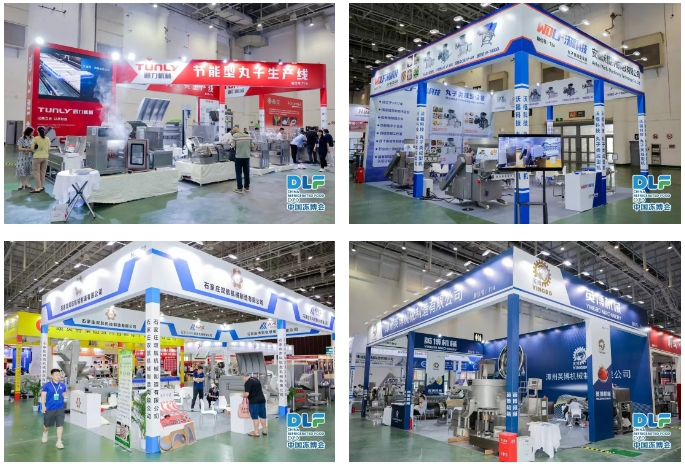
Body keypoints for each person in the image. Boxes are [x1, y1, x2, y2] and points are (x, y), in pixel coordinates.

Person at [41, 368, 68, 449]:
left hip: (60, 408)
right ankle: (45, 433)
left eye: (59, 375)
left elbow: (64, 393)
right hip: (49, 408)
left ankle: (59, 441)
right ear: (52, 376)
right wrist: (43, 406)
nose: (58, 376)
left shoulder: (62, 385)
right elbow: (43, 396)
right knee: (47, 425)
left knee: (60, 425)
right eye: (56, 375)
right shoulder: (47, 385)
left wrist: (65, 395)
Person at [230, 126, 255, 194]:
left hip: (238, 157)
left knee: (239, 173)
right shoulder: (248, 136)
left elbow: (233, 146)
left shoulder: (234, 137)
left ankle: (239, 188)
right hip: (247, 157)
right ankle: (247, 187)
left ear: (234, 132)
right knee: (246, 172)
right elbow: (252, 146)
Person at [31, 126, 51, 193]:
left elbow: (32, 148)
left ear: (38, 131)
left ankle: (38, 188)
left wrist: (35, 148)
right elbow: (49, 148)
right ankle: (42, 186)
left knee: (36, 173)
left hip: (37, 157)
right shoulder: (47, 139)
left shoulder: (35, 138)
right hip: (45, 157)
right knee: (43, 172)